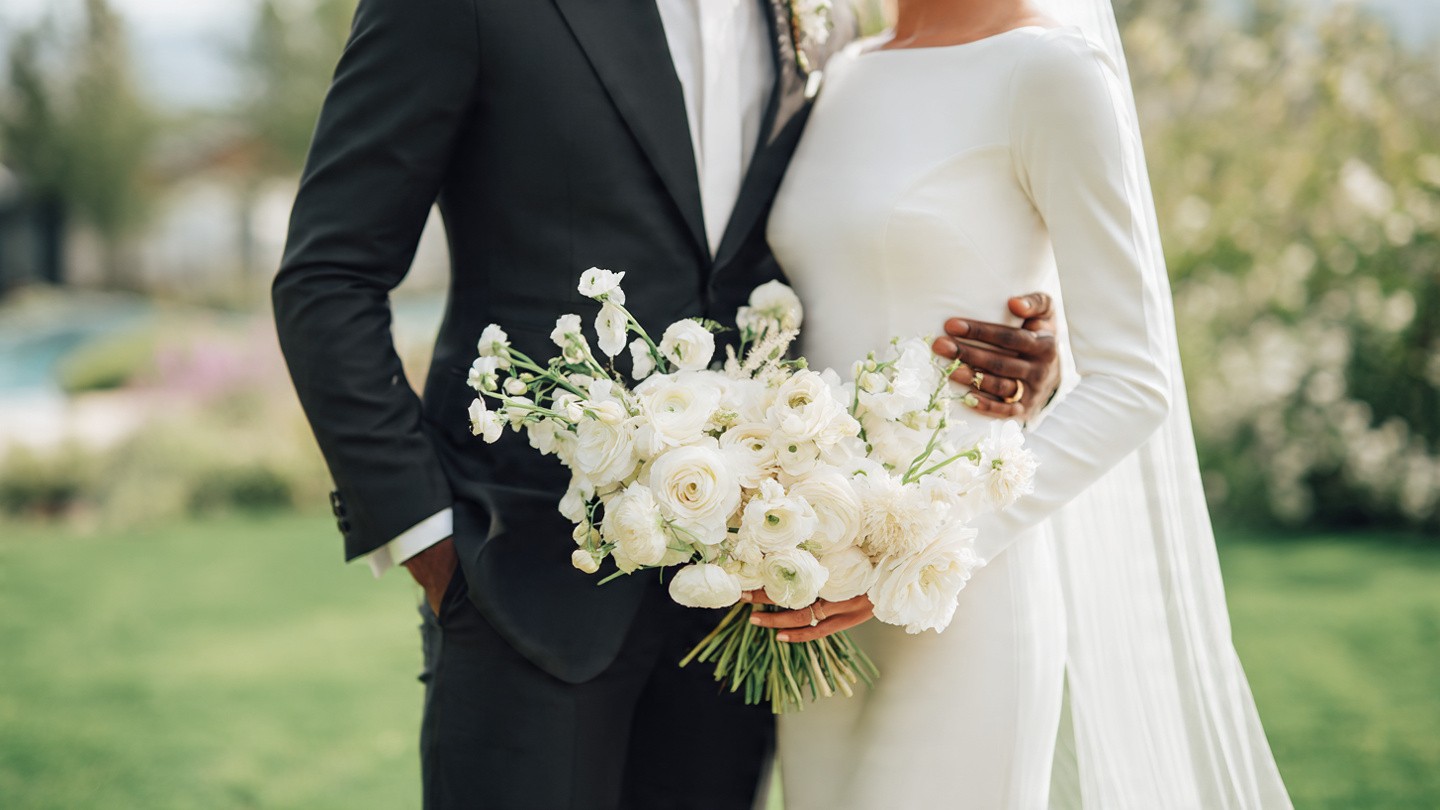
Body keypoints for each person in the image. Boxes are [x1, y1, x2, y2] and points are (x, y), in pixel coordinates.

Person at [271, 0, 1063, 807]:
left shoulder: (821, 24)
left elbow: (860, 243)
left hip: (745, 611)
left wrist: (1015, 351)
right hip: (519, 578)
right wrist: (430, 542)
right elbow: (327, 276)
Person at [757, 0, 1293, 807]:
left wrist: (919, 556)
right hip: (813, 591)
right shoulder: (846, 70)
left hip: (964, 597)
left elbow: (1133, 380)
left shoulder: (1052, 73)